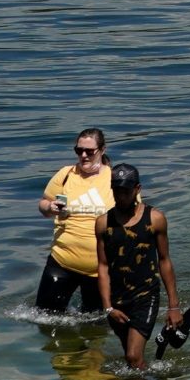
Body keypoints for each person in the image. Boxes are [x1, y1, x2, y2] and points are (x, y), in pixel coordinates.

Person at [93, 165, 190, 371]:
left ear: (137, 189)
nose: (121, 196)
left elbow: (164, 260)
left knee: (132, 356)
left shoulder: (155, 219)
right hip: (117, 299)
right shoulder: (103, 223)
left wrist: (174, 306)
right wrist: (108, 307)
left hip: (146, 296)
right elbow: (102, 266)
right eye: (116, 191)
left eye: (126, 192)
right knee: (131, 360)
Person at [36, 127, 114, 315]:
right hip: (62, 261)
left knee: (95, 325)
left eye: (89, 151)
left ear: (102, 150)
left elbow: (134, 215)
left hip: (100, 270)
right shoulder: (65, 174)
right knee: (45, 318)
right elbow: (43, 204)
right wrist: (49, 207)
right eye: (79, 151)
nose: (84, 155)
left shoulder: (114, 178)